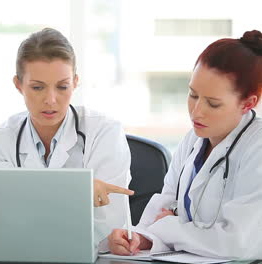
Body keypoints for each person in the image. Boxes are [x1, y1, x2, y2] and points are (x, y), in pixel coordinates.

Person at [107, 30, 262, 259]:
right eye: (193, 95)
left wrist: (170, 227)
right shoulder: (193, 139)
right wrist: (140, 238)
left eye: (213, 104)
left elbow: (239, 243)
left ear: (248, 103)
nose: (196, 111)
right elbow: (164, 205)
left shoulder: (256, 147)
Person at [0, 28, 134, 246]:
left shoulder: (105, 132)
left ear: (75, 82)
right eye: (37, 87)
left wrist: (29, 205)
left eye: (62, 87)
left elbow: (108, 225)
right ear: (18, 85)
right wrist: (79, 192)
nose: (50, 100)